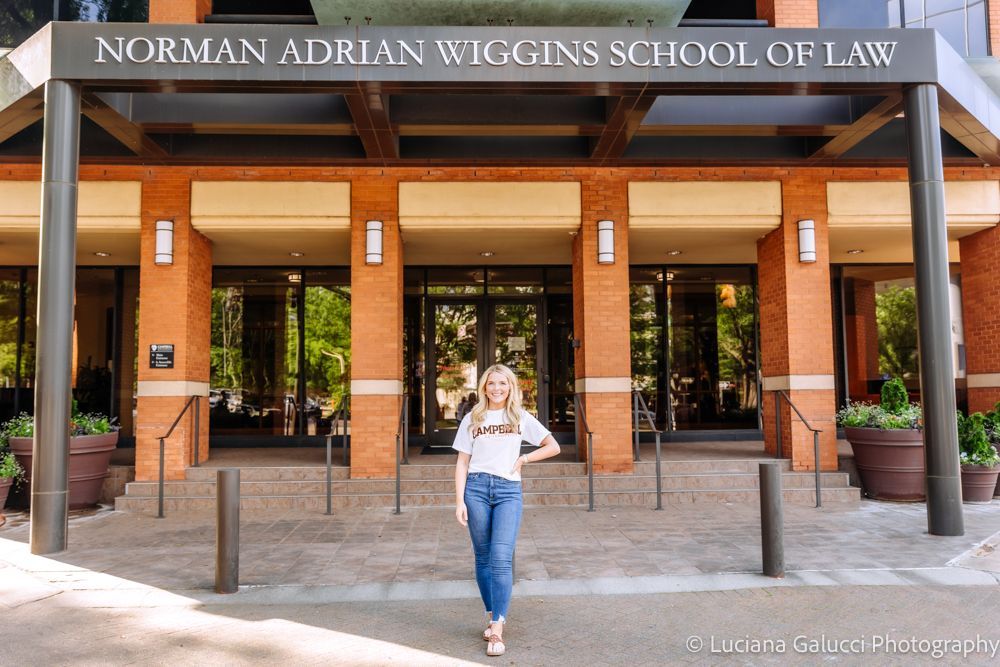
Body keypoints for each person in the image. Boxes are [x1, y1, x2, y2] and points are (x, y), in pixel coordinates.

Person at [453, 363, 561, 657]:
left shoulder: (520, 417)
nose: (497, 389)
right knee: (483, 556)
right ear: (484, 387)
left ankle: (497, 628)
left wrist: (525, 459)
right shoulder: (472, 418)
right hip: (475, 488)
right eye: (491, 383)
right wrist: (459, 501)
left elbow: (553, 446)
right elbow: (462, 462)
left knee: (501, 558)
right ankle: (491, 613)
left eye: (503, 383)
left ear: (510, 387)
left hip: (507, 491)